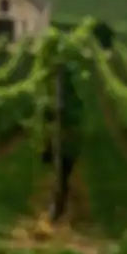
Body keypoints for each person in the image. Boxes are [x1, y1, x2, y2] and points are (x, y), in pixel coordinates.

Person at [41, 63, 83, 221]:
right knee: (60, 175)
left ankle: (58, 207)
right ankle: (58, 206)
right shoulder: (62, 98)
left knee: (62, 175)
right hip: (64, 143)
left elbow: (74, 118)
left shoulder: (73, 101)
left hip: (67, 144)